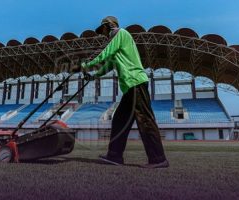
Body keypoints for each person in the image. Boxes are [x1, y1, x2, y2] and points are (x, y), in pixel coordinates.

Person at [72, 16, 169, 168]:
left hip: (135, 82)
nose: (102, 34)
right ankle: (114, 156)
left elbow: (102, 52)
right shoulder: (118, 46)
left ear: (109, 26)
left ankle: (158, 159)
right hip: (130, 87)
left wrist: (84, 64)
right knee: (119, 120)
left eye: (103, 30)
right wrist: (92, 76)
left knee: (145, 120)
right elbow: (108, 66)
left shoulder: (119, 33)